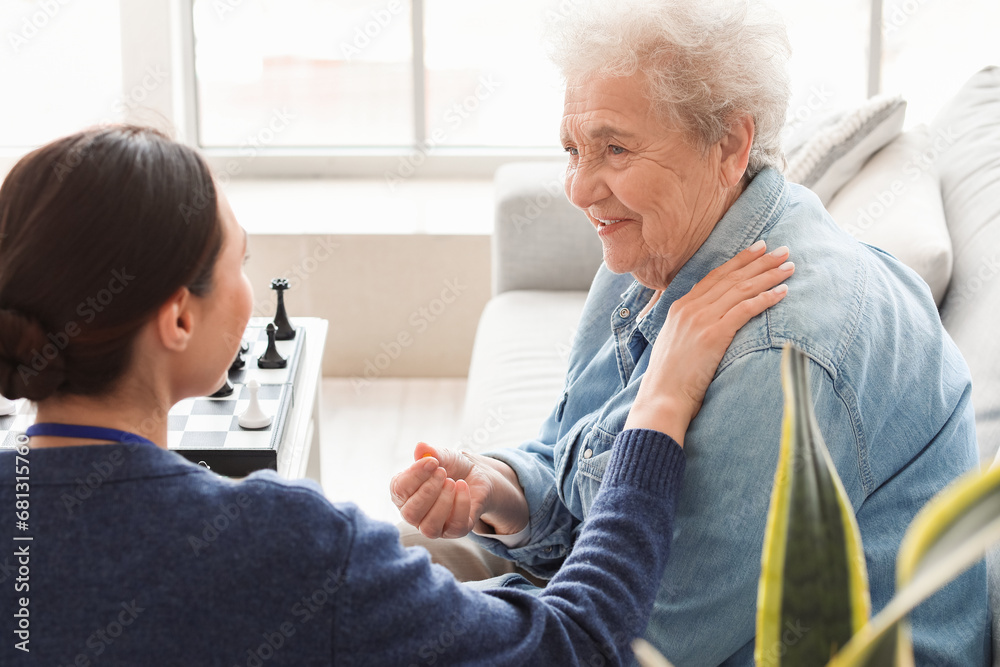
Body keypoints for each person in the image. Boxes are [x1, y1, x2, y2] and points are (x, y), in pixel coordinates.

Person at [0, 126, 792, 666]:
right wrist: (659, 407)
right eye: (240, 260)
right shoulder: (285, 544)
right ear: (177, 314)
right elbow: (571, 645)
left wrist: (504, 490)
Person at [390, 0, 989, 664]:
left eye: (614, 148)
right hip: (638, 611)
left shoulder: (778, 355)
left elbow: (632, 644)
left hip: (688, 640)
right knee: (394, 563)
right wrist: (501, 489)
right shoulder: (654, 247)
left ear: (730, 143)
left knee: (392, 616)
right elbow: (579, 461)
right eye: (572, 149)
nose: (580, 187)